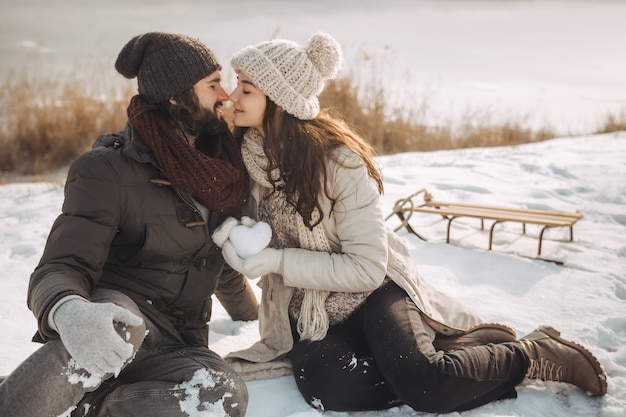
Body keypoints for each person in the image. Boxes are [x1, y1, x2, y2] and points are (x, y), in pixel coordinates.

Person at [214, 32, 608, 414]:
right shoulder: (249, 159)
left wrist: (277, 263)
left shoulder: (338, 163)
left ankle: (532, 355)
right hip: (312, 306)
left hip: (375, 289)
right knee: (325, 385)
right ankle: (461, 359)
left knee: (424, 386)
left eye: (246, 88)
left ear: (280, 100)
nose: (233, 96)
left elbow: (365, 269)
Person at [0, 32, 258, 417]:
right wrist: (69, 310)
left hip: (178, 344)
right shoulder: (107, 170)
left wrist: (251, 320)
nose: (225, 94)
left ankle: (94, 407)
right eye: (212, 84)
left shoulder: (222, 169)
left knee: (223, 393)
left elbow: (217, 262)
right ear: (175, 96)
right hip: (113, 319)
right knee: (121, 324)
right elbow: (59, 266)